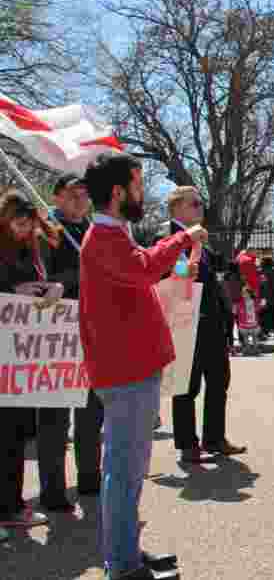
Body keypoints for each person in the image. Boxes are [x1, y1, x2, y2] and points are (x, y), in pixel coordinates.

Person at [80, 153, 203, 579]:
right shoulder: (102, 237)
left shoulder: (113, 233)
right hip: (126, 372)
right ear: (118, 193)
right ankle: (122, 564)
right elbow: (146, 269)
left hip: (133, 368)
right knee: (124, 472)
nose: (141, 192)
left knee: (130, 471)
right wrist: (183, 238)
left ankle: (126, 552)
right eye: (136, 184)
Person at [162, 186, 246, 464]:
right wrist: (184, 270)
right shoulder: (166, 236)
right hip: (185, 323)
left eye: (201, 204)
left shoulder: (201, 239)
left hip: (212, 324)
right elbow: (163, 269)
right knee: (186, 386)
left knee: (218, 381)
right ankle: (188, 445)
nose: (201, 209)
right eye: (195, 204)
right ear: (176, 208)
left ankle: (215, 438)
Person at [36, 174, 104, 513]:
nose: (79, 200)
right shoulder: (45, 232)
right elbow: (41, 279)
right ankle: (53, 489)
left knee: (93, 410)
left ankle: (90, 477)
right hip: (58, 330)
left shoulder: (94, 231)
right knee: (55, 417)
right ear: (57, 197)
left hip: (95, 329)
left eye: (84, 194)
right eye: (72, 194)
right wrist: (82, 275)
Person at [0, 190, 63, 530]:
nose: (25, 230)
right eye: (18, 224)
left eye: (29, 224)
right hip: (4, 351)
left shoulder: (33, 247)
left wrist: (52, 288)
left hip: (21, 354)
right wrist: (12, 293)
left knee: (16, 435)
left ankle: (12, 504)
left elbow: (39, 281)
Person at [234, 285, 262, 355]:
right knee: (245, 338)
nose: (243, 294)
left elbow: (259, 309)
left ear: (249, 293)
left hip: (254, 323)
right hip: (244, 323)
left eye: (245, 293)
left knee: (255, 337)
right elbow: (235, 312)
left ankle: (256, 350)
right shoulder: (239, 303)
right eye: (242, 293)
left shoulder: (255, 301)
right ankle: (247, 349)